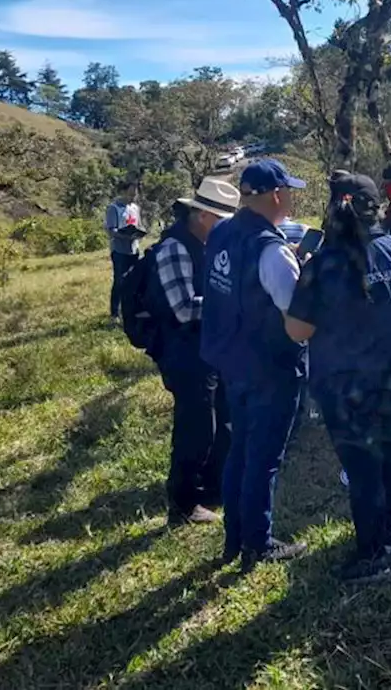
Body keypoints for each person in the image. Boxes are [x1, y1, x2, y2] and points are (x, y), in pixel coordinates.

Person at [286, 173, 391, 584]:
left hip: (348, 383)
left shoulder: (324, 263)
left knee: (362, 468)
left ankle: (372, 557)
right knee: (387, 447)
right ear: (376, 207)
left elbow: (298, 330)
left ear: (332, 211)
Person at [201, 159, 309, 572]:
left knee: (240, 451)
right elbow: (294, 314)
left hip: (232, 360)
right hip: (270, 366)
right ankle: (258, 544)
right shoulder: (271, 249)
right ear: (277, 194)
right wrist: (305, 275)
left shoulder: (224, 230)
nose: (292, 199)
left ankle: (234, 538)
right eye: (289, 192)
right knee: (264, 459)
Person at [149, 178, 240, 527]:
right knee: (195, 426)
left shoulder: (207, 243)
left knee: (222, 419)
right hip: (183, 351)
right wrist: (232, 301)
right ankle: (183, 503)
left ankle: (213, 487)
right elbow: (184, 308)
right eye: (221, 219)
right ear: (203, 215)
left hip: (209, 347)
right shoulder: (175, 248)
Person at [105, 180, 144, 322]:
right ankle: (114, 314)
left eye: (135, 193)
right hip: (120, 250)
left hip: (134, 249)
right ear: (123, 191)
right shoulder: (114, 208)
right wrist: (125, 235)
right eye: (130, 192)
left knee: (134, 281)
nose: (133, 195)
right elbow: (111, 230)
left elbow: (138, 225)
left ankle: (130, 310)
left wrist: (139, 234)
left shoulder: (135, 208)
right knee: (119, 281)